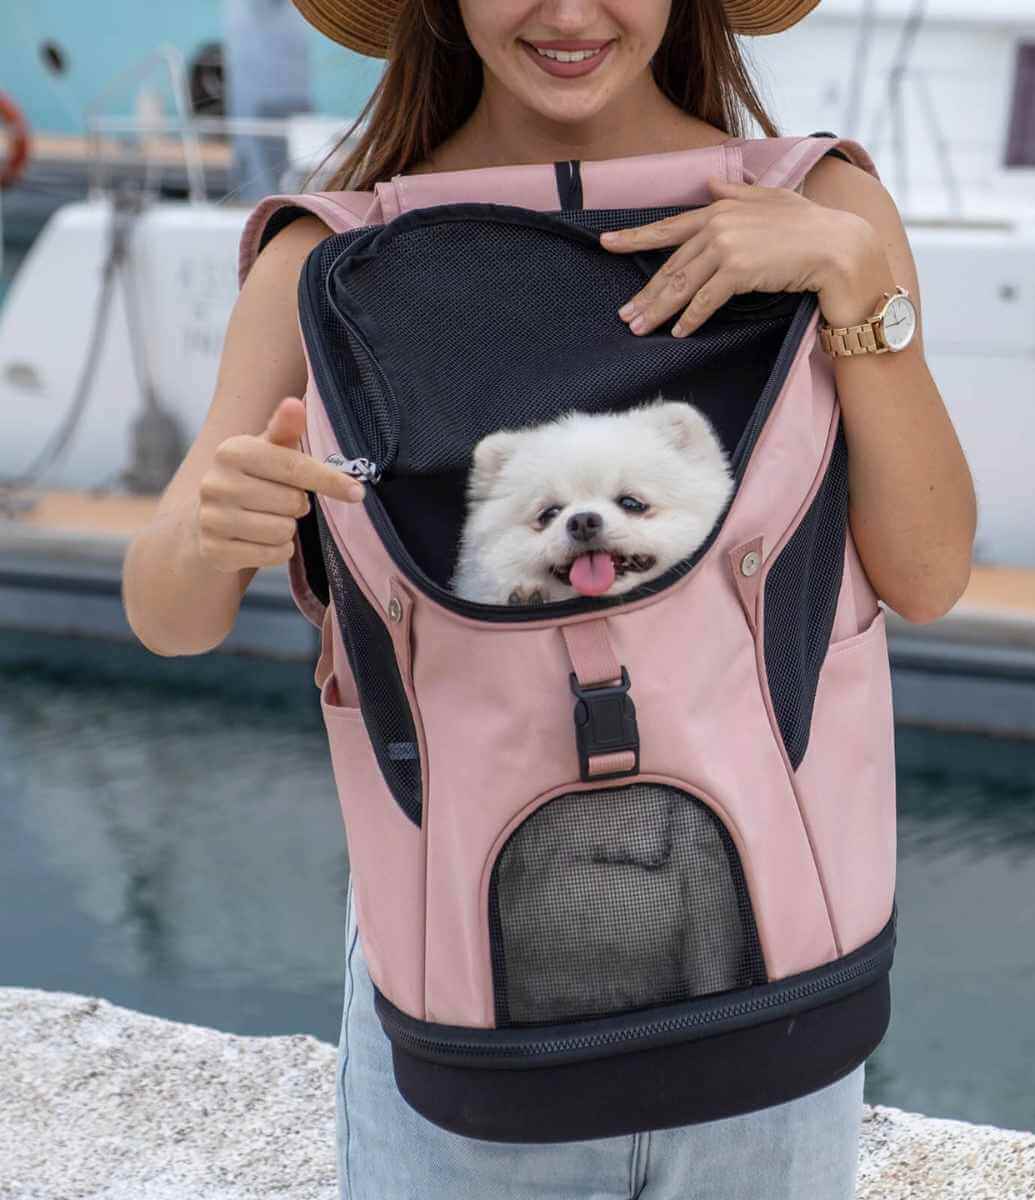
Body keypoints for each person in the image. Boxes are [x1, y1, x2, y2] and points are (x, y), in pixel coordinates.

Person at [122, 1, 976, 1196]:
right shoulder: (327, 257)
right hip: (467, 1007)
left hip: (771, 982)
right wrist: (218, 520)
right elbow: (172, 615)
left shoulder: (822, 211)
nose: (570, 12)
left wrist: (858, 282)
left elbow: (928, 575)